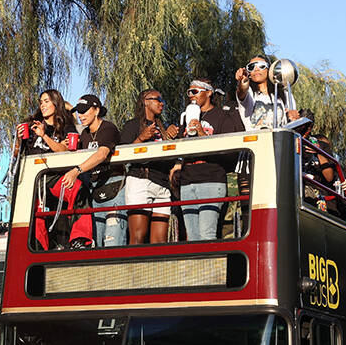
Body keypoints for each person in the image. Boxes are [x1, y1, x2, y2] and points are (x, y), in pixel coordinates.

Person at [169, 80, 244, 241]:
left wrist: (202, 133)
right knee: (192, 236)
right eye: (189, 92)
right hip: (187, 179)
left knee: (207, 234)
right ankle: (196, 266)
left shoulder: (223, 117)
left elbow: (230, 151)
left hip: (211, 178)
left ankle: (212, 266)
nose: (191, 96)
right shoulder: (186, 116)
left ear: (209, 92)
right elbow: (181, 149)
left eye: (195, 91)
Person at [59, 95, 125, 248]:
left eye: (84, 111)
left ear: (96, 110)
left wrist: (76, 171)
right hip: (95, 189)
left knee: (113, 240)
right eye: (78, 112)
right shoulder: (84, 134)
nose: (80, 115)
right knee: (97, 242)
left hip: (115, 185)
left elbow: (102, 154)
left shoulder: (108, 128)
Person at [120, 89, 179, 244]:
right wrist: (141, 138)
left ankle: (157, 268)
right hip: (141, 180)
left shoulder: (163, 128)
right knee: (138, 237)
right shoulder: (132, 125)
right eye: (158, 99)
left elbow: (171, 159)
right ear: (145, 101)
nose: (162, 103)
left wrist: (173, 139)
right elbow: (122, 156)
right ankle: (134, 268)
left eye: (162, 100)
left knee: (159, 241)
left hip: (162, 184)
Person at [234, 55, 297, 130]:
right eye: (251, 67)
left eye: (261, 65)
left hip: (279, 140)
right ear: (249, 73)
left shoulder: (284, 94)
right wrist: (242, 82)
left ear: (269, 69)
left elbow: (291, 123)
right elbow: (241, 92)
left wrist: (293, 118)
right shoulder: (249, 93)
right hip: (255, 140)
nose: (256, 69)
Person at [14, 89, 77, 157]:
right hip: (31, 166)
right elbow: (15, 154)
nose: (42, 105)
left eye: (46, 101)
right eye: (41, 103)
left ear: (56, 103)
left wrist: (44, 136)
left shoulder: (66, 126)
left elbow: (64, 150)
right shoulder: (32, 125)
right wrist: (18, 140)